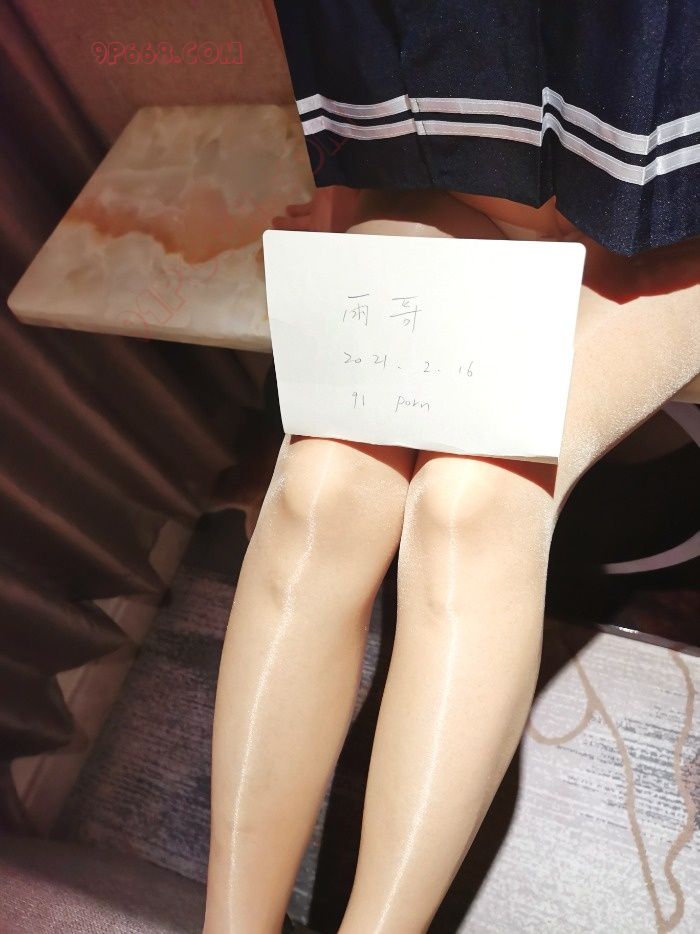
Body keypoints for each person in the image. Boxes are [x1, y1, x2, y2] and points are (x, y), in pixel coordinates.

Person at [203, 3, 700, 931]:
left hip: (671, 234)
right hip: (450, 180)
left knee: (474, 503)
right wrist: (341, 175)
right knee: (321, 489)